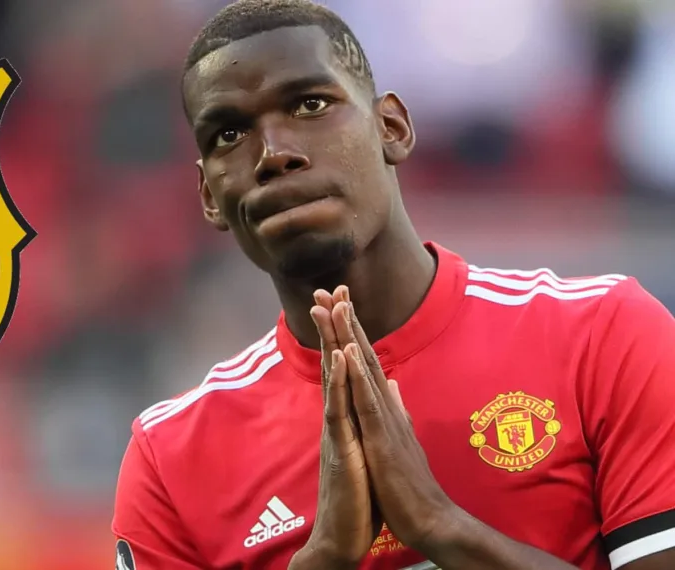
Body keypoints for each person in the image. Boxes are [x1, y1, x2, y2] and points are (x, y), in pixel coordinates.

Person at [110, 1, 675, 569]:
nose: (274, 154)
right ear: (209, 196)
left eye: (310, 104)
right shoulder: (171, 458)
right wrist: (327, 557)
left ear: (392, 128)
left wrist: (439, 525)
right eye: (229, 133)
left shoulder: (603, 336)